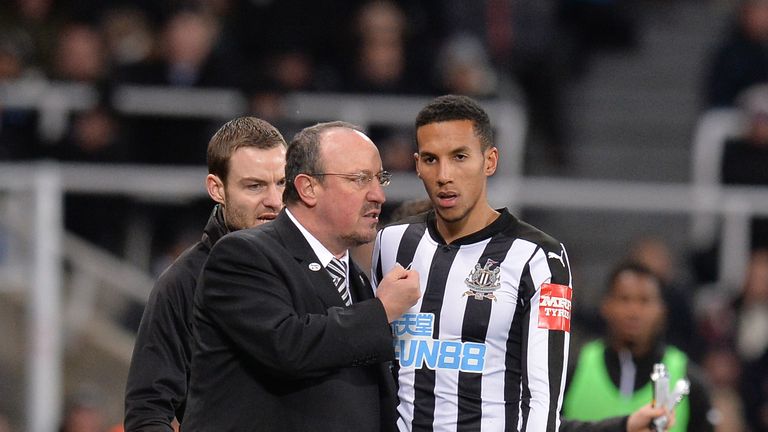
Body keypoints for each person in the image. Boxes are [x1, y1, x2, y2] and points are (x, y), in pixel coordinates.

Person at [183, 121, 421, 431]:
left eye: (380, 179)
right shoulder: (242, 255)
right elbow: (288, 347)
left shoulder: (357, 277)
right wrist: (381, 311)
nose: (378, 195)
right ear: (308, 188)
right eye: (359, 179)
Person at [372, 94, 572, 430]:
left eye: (460, 157)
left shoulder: (539, 257)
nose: (444, 175)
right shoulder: (391, 242)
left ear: (490, 161)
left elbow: (544, 396)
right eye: (432, 160)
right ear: (417, 164)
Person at [123, 116, 288, 431]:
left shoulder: (320, 266)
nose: (273, 201)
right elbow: (147, 412)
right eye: (255, 186)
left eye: (281, 183)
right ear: (217, 188)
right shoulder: (182, 284)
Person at [562, 262, 716, 432]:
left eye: (644, 301)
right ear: (605, 306)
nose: (634, 311)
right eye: (624, 299)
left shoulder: (689, 380)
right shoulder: (573, 369)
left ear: (662, 311)